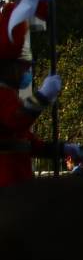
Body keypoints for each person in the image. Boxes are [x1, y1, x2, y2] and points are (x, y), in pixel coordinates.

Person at [0, 13, 64, 187]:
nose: (26, 72)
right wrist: (43, 96)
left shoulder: (10, 96)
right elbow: (16, 120)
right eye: (23, 68)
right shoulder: (2, 96)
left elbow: (29, 143)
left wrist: (66, 149)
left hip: (18, 184)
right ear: (9, 67)